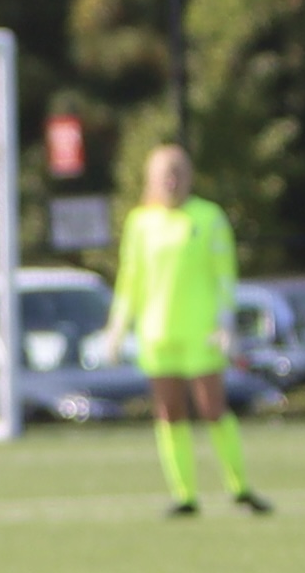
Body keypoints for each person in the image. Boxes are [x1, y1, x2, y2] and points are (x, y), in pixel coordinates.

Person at [101, 143, 270, 519]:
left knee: (213, 408)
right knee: (169, 412)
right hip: (158, 333)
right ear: (152, 180)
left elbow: (224, 273)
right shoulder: (140, 223)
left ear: (189, 178)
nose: (171, 182)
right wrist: (116, 327)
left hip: (201, 330)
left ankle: (239, 486)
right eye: (165, 175)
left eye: (178, 174)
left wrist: (225, 320)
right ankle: (185, 495)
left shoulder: (208, 217)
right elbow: (131, 280)